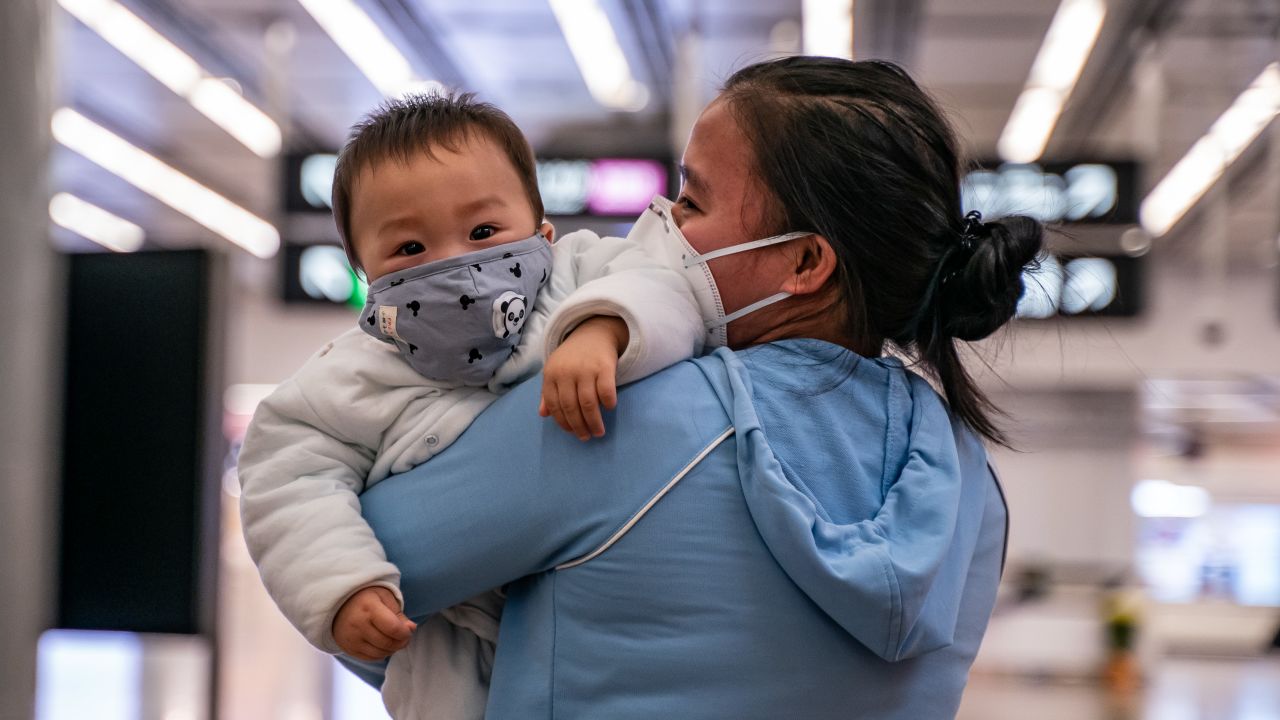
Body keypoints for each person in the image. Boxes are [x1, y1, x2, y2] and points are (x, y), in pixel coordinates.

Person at [344, 56, 1044, 719]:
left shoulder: (623, 414)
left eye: (691, 201)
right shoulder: (970, 479)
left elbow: (351, 574)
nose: (661, 226)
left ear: (803, 262)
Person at [237, 93, 705, 720]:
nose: (455, 263)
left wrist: (604, 327)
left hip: (615, 607)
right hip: (454, 651)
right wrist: (340, 586)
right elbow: (286, 476)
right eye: (409, 249)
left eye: (484, 233)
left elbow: (668, 287)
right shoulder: (353, 372)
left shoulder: (580, 277)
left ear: (544, 233)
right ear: (364, 275)